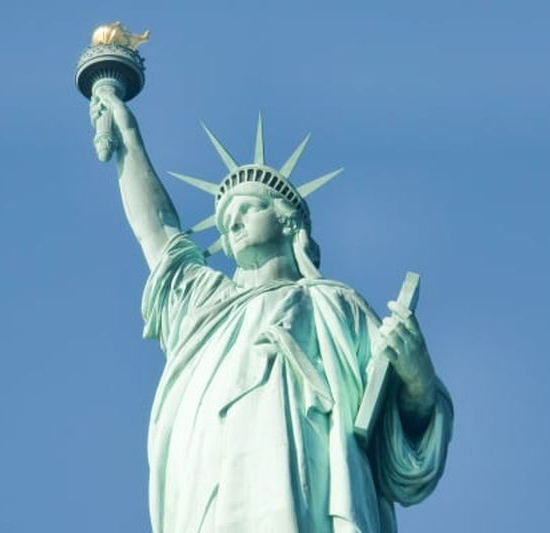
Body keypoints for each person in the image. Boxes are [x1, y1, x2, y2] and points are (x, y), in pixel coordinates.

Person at [89, 87, 453, 533]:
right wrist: (128, 136)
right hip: (210, 483)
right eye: (226, 221)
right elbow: (157, 234)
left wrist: (417, 382)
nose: (233, 223)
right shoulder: (205, 305)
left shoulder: (335, 306)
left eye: (246, 208)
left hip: (303, 485)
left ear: (286, 219)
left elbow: (396, 443)